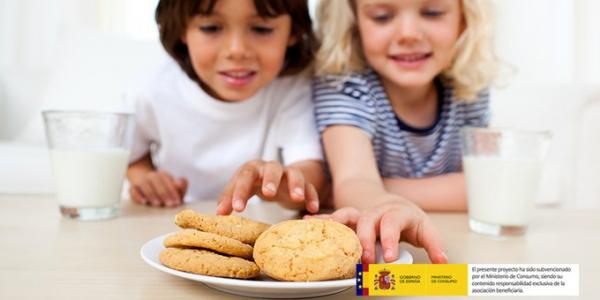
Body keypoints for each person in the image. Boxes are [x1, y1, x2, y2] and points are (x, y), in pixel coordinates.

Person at [310, 0, 499, 263]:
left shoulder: (468, 89)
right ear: (354, 25)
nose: (408, 34)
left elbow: (485, 185)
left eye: (432, 13)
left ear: (464, 20)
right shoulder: (345, 85)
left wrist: (374, 190)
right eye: (382, 16)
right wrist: (387, 204)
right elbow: (354, 181)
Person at [126, 0, 326, 215]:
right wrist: (146, 178)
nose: (237, 50)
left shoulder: (294, 87)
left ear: (293, 33)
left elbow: (311, 173)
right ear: (181, 29)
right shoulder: (156, 87)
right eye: (211, 28)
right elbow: (132, 155)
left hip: (259, 223)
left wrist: (287, 185)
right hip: (172, 218)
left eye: (262, 29)